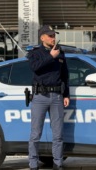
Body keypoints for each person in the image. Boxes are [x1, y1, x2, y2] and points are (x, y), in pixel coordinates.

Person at [27, 25, 70, 170]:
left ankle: (58, 164)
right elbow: (35, 67)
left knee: (58, 134)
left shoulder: (60, 52)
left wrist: (66, 94)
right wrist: (50, 56)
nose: (53, 38)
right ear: (42, 37)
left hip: (57, 96)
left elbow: (65, 75)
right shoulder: (35, 53)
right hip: (40, 96)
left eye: (54, 35)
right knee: (35, 133)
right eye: (50, 35)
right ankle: (33, 164)